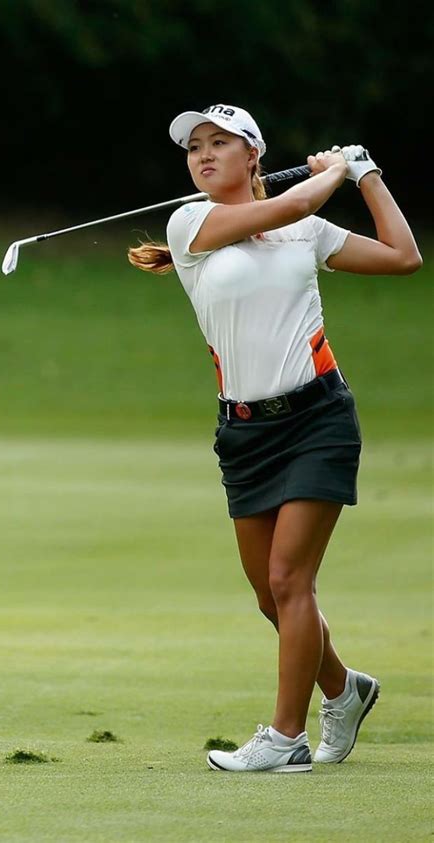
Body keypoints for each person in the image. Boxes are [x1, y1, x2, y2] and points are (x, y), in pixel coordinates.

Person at [128, 103, 422, 773]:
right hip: (244, 431)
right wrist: (334, 172)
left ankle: (286, 738)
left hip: (319, 419)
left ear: (252, 156)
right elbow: (281, 211)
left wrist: (366, 174)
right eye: (194, 147)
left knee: (292, 579)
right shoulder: (191, 224)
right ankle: (345, 690)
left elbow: (405, 256)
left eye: (219, 144)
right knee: (270, 592)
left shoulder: (305, 229)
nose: (202, 156)